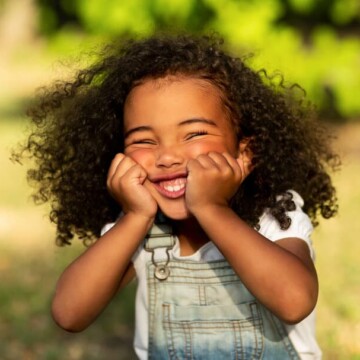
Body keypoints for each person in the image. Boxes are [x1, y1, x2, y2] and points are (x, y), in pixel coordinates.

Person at [18, 34, 339, 359]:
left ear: (244, 152)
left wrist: (212, 208)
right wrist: (134, 219)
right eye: (144, 140)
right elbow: (69, 314)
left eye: (194, 134)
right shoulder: (141, 229)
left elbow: (294, 300)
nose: (167, 156)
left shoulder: (274, 214)